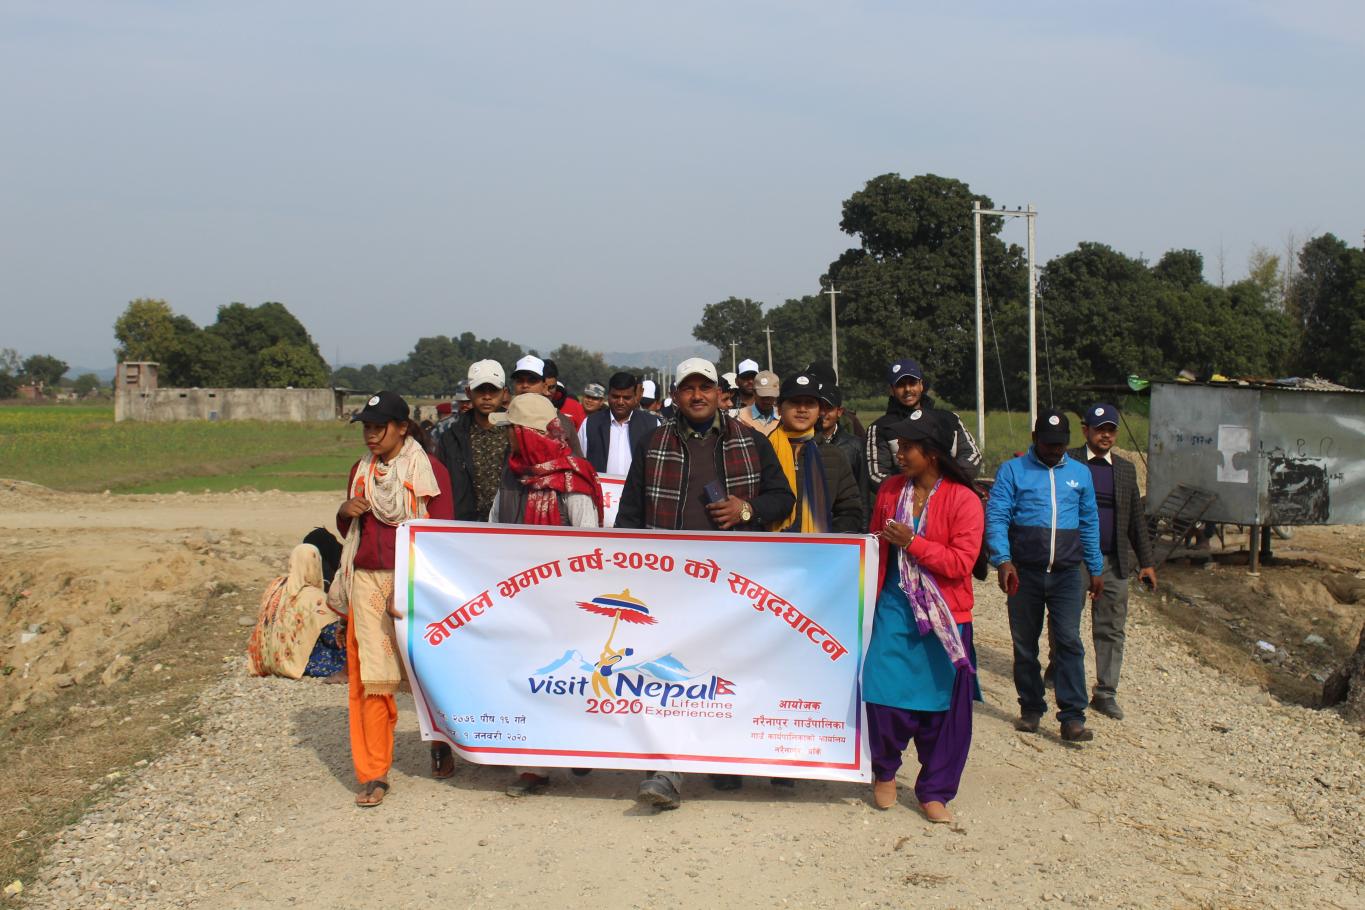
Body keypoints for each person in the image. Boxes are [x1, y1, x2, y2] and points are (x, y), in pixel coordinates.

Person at [616, 357, 796, 810]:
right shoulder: (654, 443)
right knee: (668, 673)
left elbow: (782, 498)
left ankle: (726, 757)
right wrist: (627, 571)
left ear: (721, 394)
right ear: (675, 395)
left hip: (733, 580)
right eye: (688, 388)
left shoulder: (751, 442)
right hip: (668, 580)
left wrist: (746, 509)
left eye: (705, 387)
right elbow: (630, 514)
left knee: (730, 669)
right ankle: (666, 769)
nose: (697, 395)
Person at [331, 391, 455, 807]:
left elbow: (443, 535)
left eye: (378, 427)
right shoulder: (360, 471)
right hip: (366, 581)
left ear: (402, 428)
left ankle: (443, 745)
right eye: (366, 427)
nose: (371, 434)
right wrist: (345, 511)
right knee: (370, 679)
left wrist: (410, 583)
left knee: (431, 674)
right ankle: (373, 771)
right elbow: (351, 531)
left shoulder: (429, 470)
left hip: (416, 581)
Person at [864, 408, 983, 822]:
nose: (899, 454)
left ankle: (935, 790)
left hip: (945, 616)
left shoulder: (964, 500)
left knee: (942, 709)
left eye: (908, 447)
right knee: (881, 692)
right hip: (894, 607)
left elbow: (961, 563)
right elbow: (875, 546)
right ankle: (884, 770)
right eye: (899, 445)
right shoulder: (889, 491)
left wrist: (913, 542)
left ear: (932, 453)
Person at [488, 393, 606, 795]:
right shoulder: (511, 477)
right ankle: (533, 766)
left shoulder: (574, 480)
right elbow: (491, 530)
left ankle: (578, 747)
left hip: (565, 601)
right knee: (528, 677)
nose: (508, 438)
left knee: (570, 677)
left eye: (512, 430)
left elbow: (589, 546)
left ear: (528, 434)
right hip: (520, 600)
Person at [985, 409, 1104, 743]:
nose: (1055, 449)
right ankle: (1031, 707)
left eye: (1060, 444)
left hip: (1067, 574)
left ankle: (1072, 717)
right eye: (1049, 443)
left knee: (1069, 641)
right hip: (1025, 573)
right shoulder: (1013, 471)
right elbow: (997, 516)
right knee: (1025, 644)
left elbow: (1089, 522)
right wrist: (1002, 559)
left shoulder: (1080, 474)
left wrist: (1095, 567)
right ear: (1035, 439)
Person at [1044, 403, 1156, 720]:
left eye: (1111, 429)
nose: (1105, 435)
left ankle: (1105, 692)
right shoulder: (1068, 462)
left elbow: (1135, 518)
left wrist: (1146, 562)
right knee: (1065, 619)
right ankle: (1058, 666)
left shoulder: (1124, 470)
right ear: (1086, 431)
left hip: (1113, 560)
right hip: (1073, 557)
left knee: (1111, 627)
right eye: (1099, 429)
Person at [865, 359, 982, 510]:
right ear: (892, 390)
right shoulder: (880, 428)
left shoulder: (949, 419)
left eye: (912, 383)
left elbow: (972, 456)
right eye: (900, 385)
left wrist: (944, 484)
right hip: (904, 508)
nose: (907, 389)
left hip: (952, 501)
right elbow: (876, 476)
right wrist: (916, 491)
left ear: (921, 385)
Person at [770, 373, 863, 534]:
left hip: (820, 547)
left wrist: (826, 538)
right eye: (795, 402)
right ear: (779, 407)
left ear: (819, 410)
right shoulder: (763, 450)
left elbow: (850, 510)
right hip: (769, 545)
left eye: (810, 403)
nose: (802, 409)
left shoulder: (834, 455)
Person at [247, 543, 346, 681]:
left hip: (264, 661)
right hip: (302, 663)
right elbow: (333, 639)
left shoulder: (275, 586)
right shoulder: (316, 598)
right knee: (353, 657)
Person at [436, 359, 509, 521]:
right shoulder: (451, 438)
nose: (487, 396)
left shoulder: (517, 432)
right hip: (465, 526)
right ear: (469, 393)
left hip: (508, 524)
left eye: (493, 390)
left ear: (504, 393)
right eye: (480, 390)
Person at [578, 371, 660, 476]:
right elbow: (580, 463)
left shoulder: (652, 425)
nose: (620, 402)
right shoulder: (590, 424)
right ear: (608, 396)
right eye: (615, 397)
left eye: (626, 398)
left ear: (635, 397)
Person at [510, 355, 585, 456]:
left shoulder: (562, 422)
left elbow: (576, 460)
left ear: (544, 387)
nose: (525, 385)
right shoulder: (502, 420)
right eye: (520, 381)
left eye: (532, 381)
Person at [815, 382, 869, 514]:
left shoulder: (854, 445)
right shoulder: (803, 442)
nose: (822, 413)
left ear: (839, 412)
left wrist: (863, 524)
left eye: (828, 408)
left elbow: (863, 493)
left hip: (844, 518)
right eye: (819, 407)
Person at [542, 358, 587, 430]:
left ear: (556, 383)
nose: (546, 393)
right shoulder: (525, 406)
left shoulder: (574, 407)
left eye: (551, 387)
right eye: (542, 387)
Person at [736, 370, 780, 436]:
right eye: (763, 396)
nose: (766, 401)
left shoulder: (783, 417)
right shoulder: (740, 416)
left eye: (770, 396)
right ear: (754, 393)